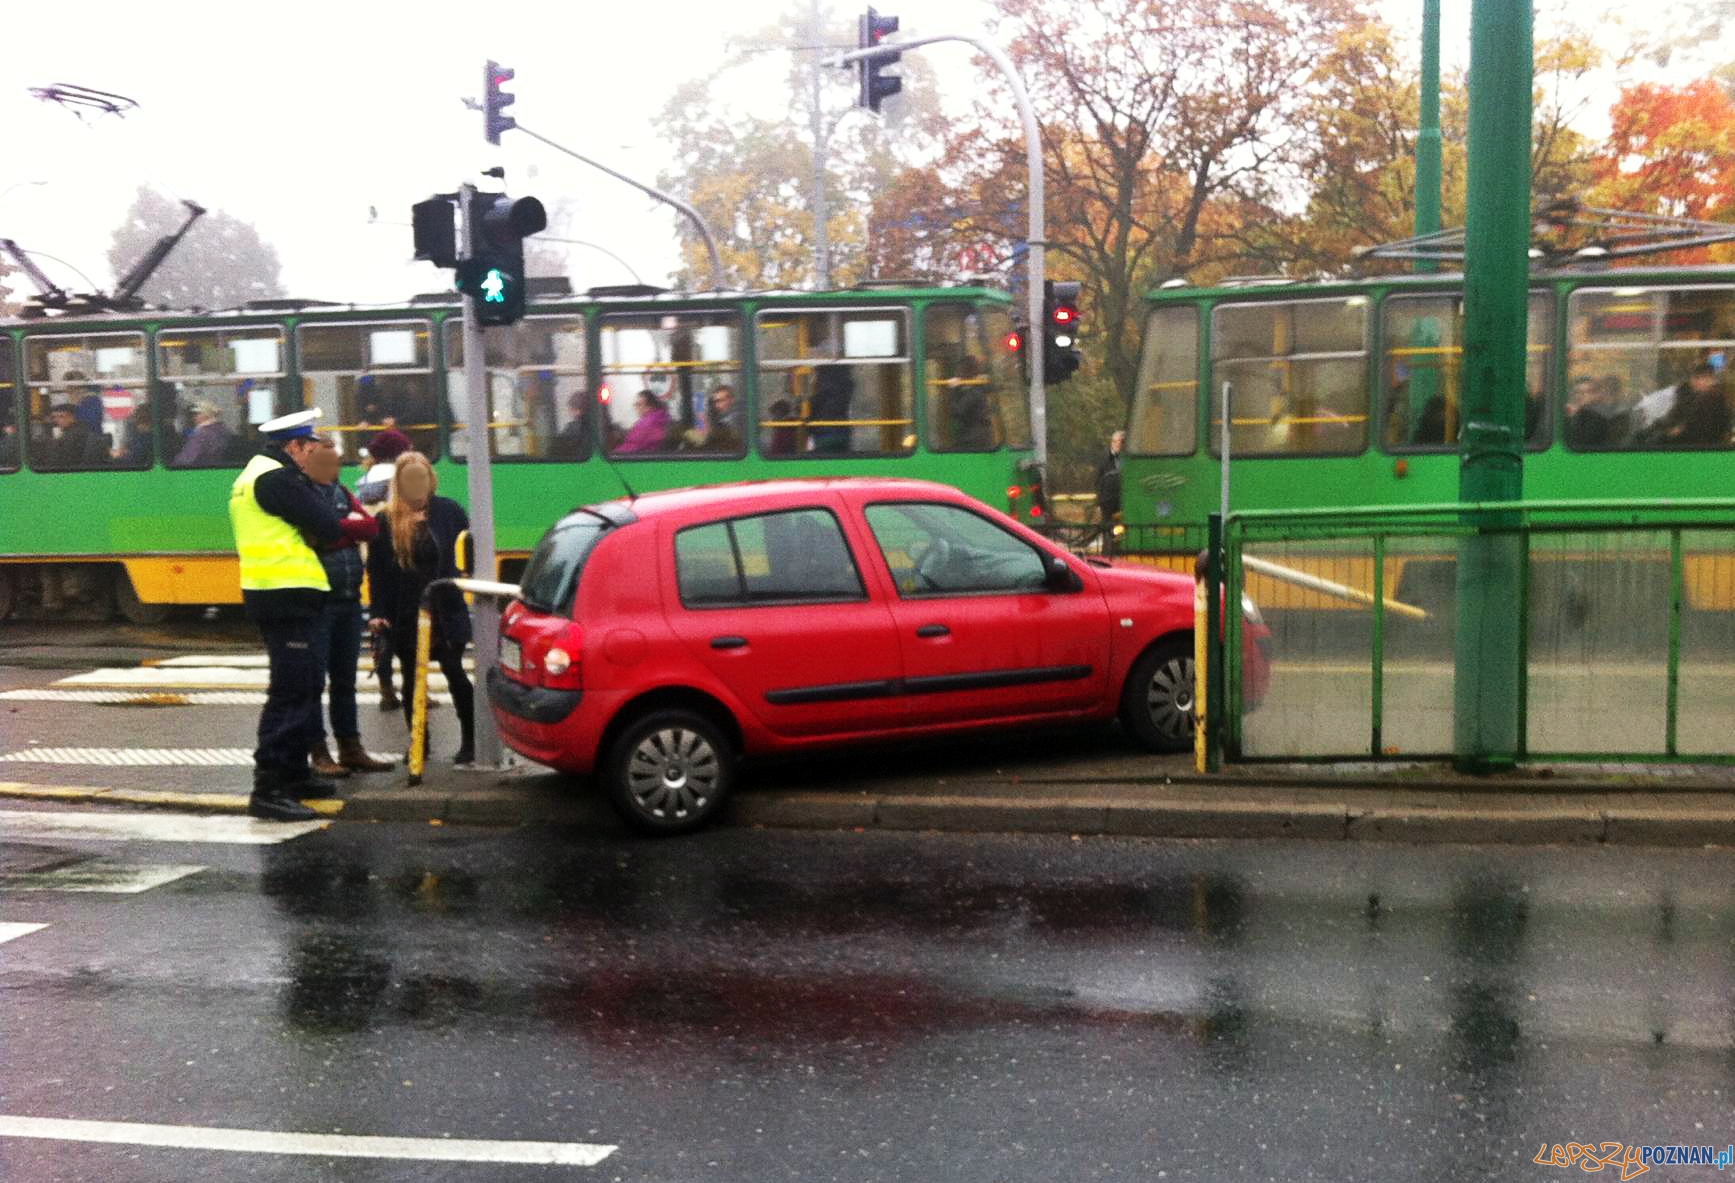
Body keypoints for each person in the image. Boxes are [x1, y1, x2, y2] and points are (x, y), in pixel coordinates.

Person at [228, 409, 344, 821]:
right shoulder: (277, 479)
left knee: (306, 685)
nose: (314, 457)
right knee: (291, 691)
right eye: (310, 449)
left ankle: (294, 774)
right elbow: (328, 524)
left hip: (281, 593)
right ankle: (269, 788)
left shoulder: (257, 475)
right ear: (293, 446)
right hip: (284, 595)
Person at [366, 452, 476, 765]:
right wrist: (378, 612)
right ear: (399, 483)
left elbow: (468, 550)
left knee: (456, 674)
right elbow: (378, 571)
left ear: (431, 480)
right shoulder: (386, 520)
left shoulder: (449, 511)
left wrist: (467, 577)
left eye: (422, 478)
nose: (417, 485)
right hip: (407, 613)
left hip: (446, 609)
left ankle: (470, 741)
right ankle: (419, 745)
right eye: (409, 479)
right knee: (413, 680)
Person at [303, 439, 394, 779]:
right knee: (315, 681)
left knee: (344, 679)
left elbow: (369, 528)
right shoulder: (303, 494)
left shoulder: (341, 490)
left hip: (348, 597)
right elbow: (313, 535)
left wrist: (336, 531)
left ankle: (350, 747)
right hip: (319, 599)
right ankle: (319, 751)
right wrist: (345, 529)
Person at [355, 427, 414, 711]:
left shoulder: (364, 481)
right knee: (410, 626)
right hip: (402, 557)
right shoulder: (400, 479)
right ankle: (416, 691)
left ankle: (386, 689)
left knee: (381, 623)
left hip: (373, 557)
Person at [1640, 361, 1731, 448]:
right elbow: (1673, 416)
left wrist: (1665, 435)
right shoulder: (1688, 396)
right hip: (1688, 446)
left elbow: (1690, 428)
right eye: (1695, 378)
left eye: (1703, 378)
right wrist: (1654, 429)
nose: (1695, 382)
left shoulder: (1712, 400)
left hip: (1698, 449)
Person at [37, 402, 109, 469]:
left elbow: (57, 461)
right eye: (54, 417)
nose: (56, 420)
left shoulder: (73, 436)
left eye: (61, 416)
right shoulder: (80, 430)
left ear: (72, 418)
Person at [808, 364, 854, 454]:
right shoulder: (847, 384)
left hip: (824, 432)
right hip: (843, 431)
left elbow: (816, 405)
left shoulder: (824, 385)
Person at [172, 401, 234, 467]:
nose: (194, 417)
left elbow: (185, 460)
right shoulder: (223, 430)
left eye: (197, 414)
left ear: (207, 414)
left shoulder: (202, 434)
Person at [1096, 430, 1125, 546]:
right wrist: (1099, 502)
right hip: (1108, 503)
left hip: (1122, 501)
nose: (1119, 445)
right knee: (1109, 533)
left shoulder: (1127, 459)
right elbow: (1098, 482)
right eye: (1116, 442)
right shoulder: (1104, 460)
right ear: (1112, 443)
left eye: (1121, 442)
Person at [547, 391, 591, 460]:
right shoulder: (598, 428)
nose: (569, 411)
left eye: (570, 408)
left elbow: (555, 451)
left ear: (574, 409)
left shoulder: (572, 428)